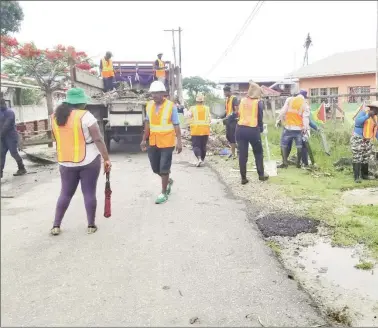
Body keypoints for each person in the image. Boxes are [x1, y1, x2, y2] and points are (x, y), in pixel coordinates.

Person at [50, 88, 111, 236]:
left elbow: (55, 138)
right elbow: (97, 139)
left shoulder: (54, 117)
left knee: (65, 193)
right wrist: (106, 158)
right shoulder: (86, 116)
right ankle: (91, 225)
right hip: (88, 160)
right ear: (81, 103)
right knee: (89, 193)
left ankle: (56, 226)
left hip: (65, 161)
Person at [140, 81, 182, 204]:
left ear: (163, 93)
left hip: (167, 142)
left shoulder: (171, 106)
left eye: (157, 93)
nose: (155, 95)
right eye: (153, 93)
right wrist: (143, 139)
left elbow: (176, 124)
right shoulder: (149, 105)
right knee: (155, 168)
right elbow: (147, 124)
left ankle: (163, 192)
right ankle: (168, 181)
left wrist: (179, 141)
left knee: (164, 167)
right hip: (153, 141)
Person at [235, 82, 268, 184]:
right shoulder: (258, 103)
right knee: (258, 152)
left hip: (240, 129)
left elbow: (239, 114)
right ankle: (261, 175)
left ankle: (243, 178)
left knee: (242, 154)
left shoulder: (242, 101)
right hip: (253, 129)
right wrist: (261, 129)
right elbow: (260, 117)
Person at [276, 89, 310, 168]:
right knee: (299, 146)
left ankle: (285, 163)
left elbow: (282, 112)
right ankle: (298, 164)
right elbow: (306, 118)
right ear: (304, 97)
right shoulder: (305, 104)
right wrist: (305, 128)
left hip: (288, 127)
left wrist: (280, 121)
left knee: (283, 145)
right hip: (299, 129)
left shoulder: (289, 100)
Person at [0, 93, 27, 178]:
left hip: (11, 137)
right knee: (1, 154)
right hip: (3, 137)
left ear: (4, 104)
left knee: (13, 153)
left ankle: (22, 168)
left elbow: (6, 126)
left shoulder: (10, 112)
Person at [351, 101, 378, 183]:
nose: (375, 111)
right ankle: (356, 177)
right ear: (371, 108)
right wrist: (367, 116)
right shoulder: (363, 113)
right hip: (358, 138)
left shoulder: (376, 118)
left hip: (367, 140)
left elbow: (376, 131)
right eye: (375, 109)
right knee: (357, 157)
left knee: (366, 157)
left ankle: (364, 175)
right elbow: (357, 122)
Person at [187, 92, 211, 167]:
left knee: (196, 146)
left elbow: (188, 116)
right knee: (203, 146)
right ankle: (202, 160)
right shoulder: (207, 108)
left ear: (196, 101)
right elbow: (210, 119)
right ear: (203, 101)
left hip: (196, 130)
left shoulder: (192, 108)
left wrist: (186, 111)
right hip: (205, 130)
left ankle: (199, 159)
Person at [223, 85, 239, 159]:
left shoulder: (234, 98)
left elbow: (236, 111)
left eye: (225, 92)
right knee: (228, 136)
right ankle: (235, 151)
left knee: (233, 137)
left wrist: (230, 116)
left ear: (229, 92)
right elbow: (227, 111)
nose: (224, 93)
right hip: (228, 121)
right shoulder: (227, 100)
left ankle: (235, 153)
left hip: (233, 121)